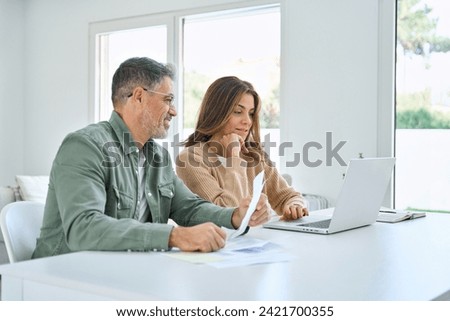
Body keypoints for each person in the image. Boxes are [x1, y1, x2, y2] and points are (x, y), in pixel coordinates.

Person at [32, 58, 269, 259]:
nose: (174, 111)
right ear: (138, 97)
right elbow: (84, 228)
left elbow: (188, 208)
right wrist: (173, 236)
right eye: (168, 100)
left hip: (125, 272)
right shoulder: (85, 146)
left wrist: (235, 216)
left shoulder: (158, 157)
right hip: (64, 275)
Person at [176, 76, 308, 221]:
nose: (247, 121)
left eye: (251, 113)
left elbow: (287, 196)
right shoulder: (190, 159)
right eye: (238, 112)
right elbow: (225, 213)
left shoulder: (254, 156)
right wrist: (234, 157)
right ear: (216, 113)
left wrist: (295, 205)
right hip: (221, 242)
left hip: (258, 240)